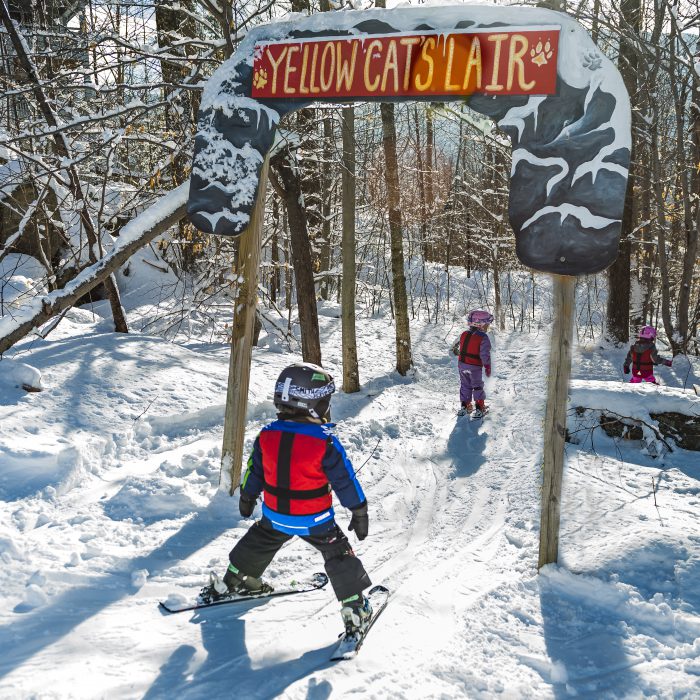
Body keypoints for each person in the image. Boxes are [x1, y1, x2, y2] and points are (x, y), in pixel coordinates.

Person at [203, 362, 373, 635]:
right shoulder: (325, 441)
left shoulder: (267, 435)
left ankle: (236, 581)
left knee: (259, 541)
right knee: (339, 555)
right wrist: (359, 511)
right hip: (316, 521)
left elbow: (253, 471)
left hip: (275, 516)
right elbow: (345, 481)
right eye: (325, 400)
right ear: (313, 404)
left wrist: (247, 496)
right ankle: (354, 609)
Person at [452, 310, 493, 417]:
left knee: (465, 385)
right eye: (487, 324)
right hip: (474, 367)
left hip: (462, 365)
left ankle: (465, 406)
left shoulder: (464, 334)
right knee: (477, 386)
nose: (488, 327)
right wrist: (487, 366)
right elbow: (485, 354)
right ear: (481, 324)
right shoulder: (483, 337)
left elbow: (465, 348)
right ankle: (480, 408)